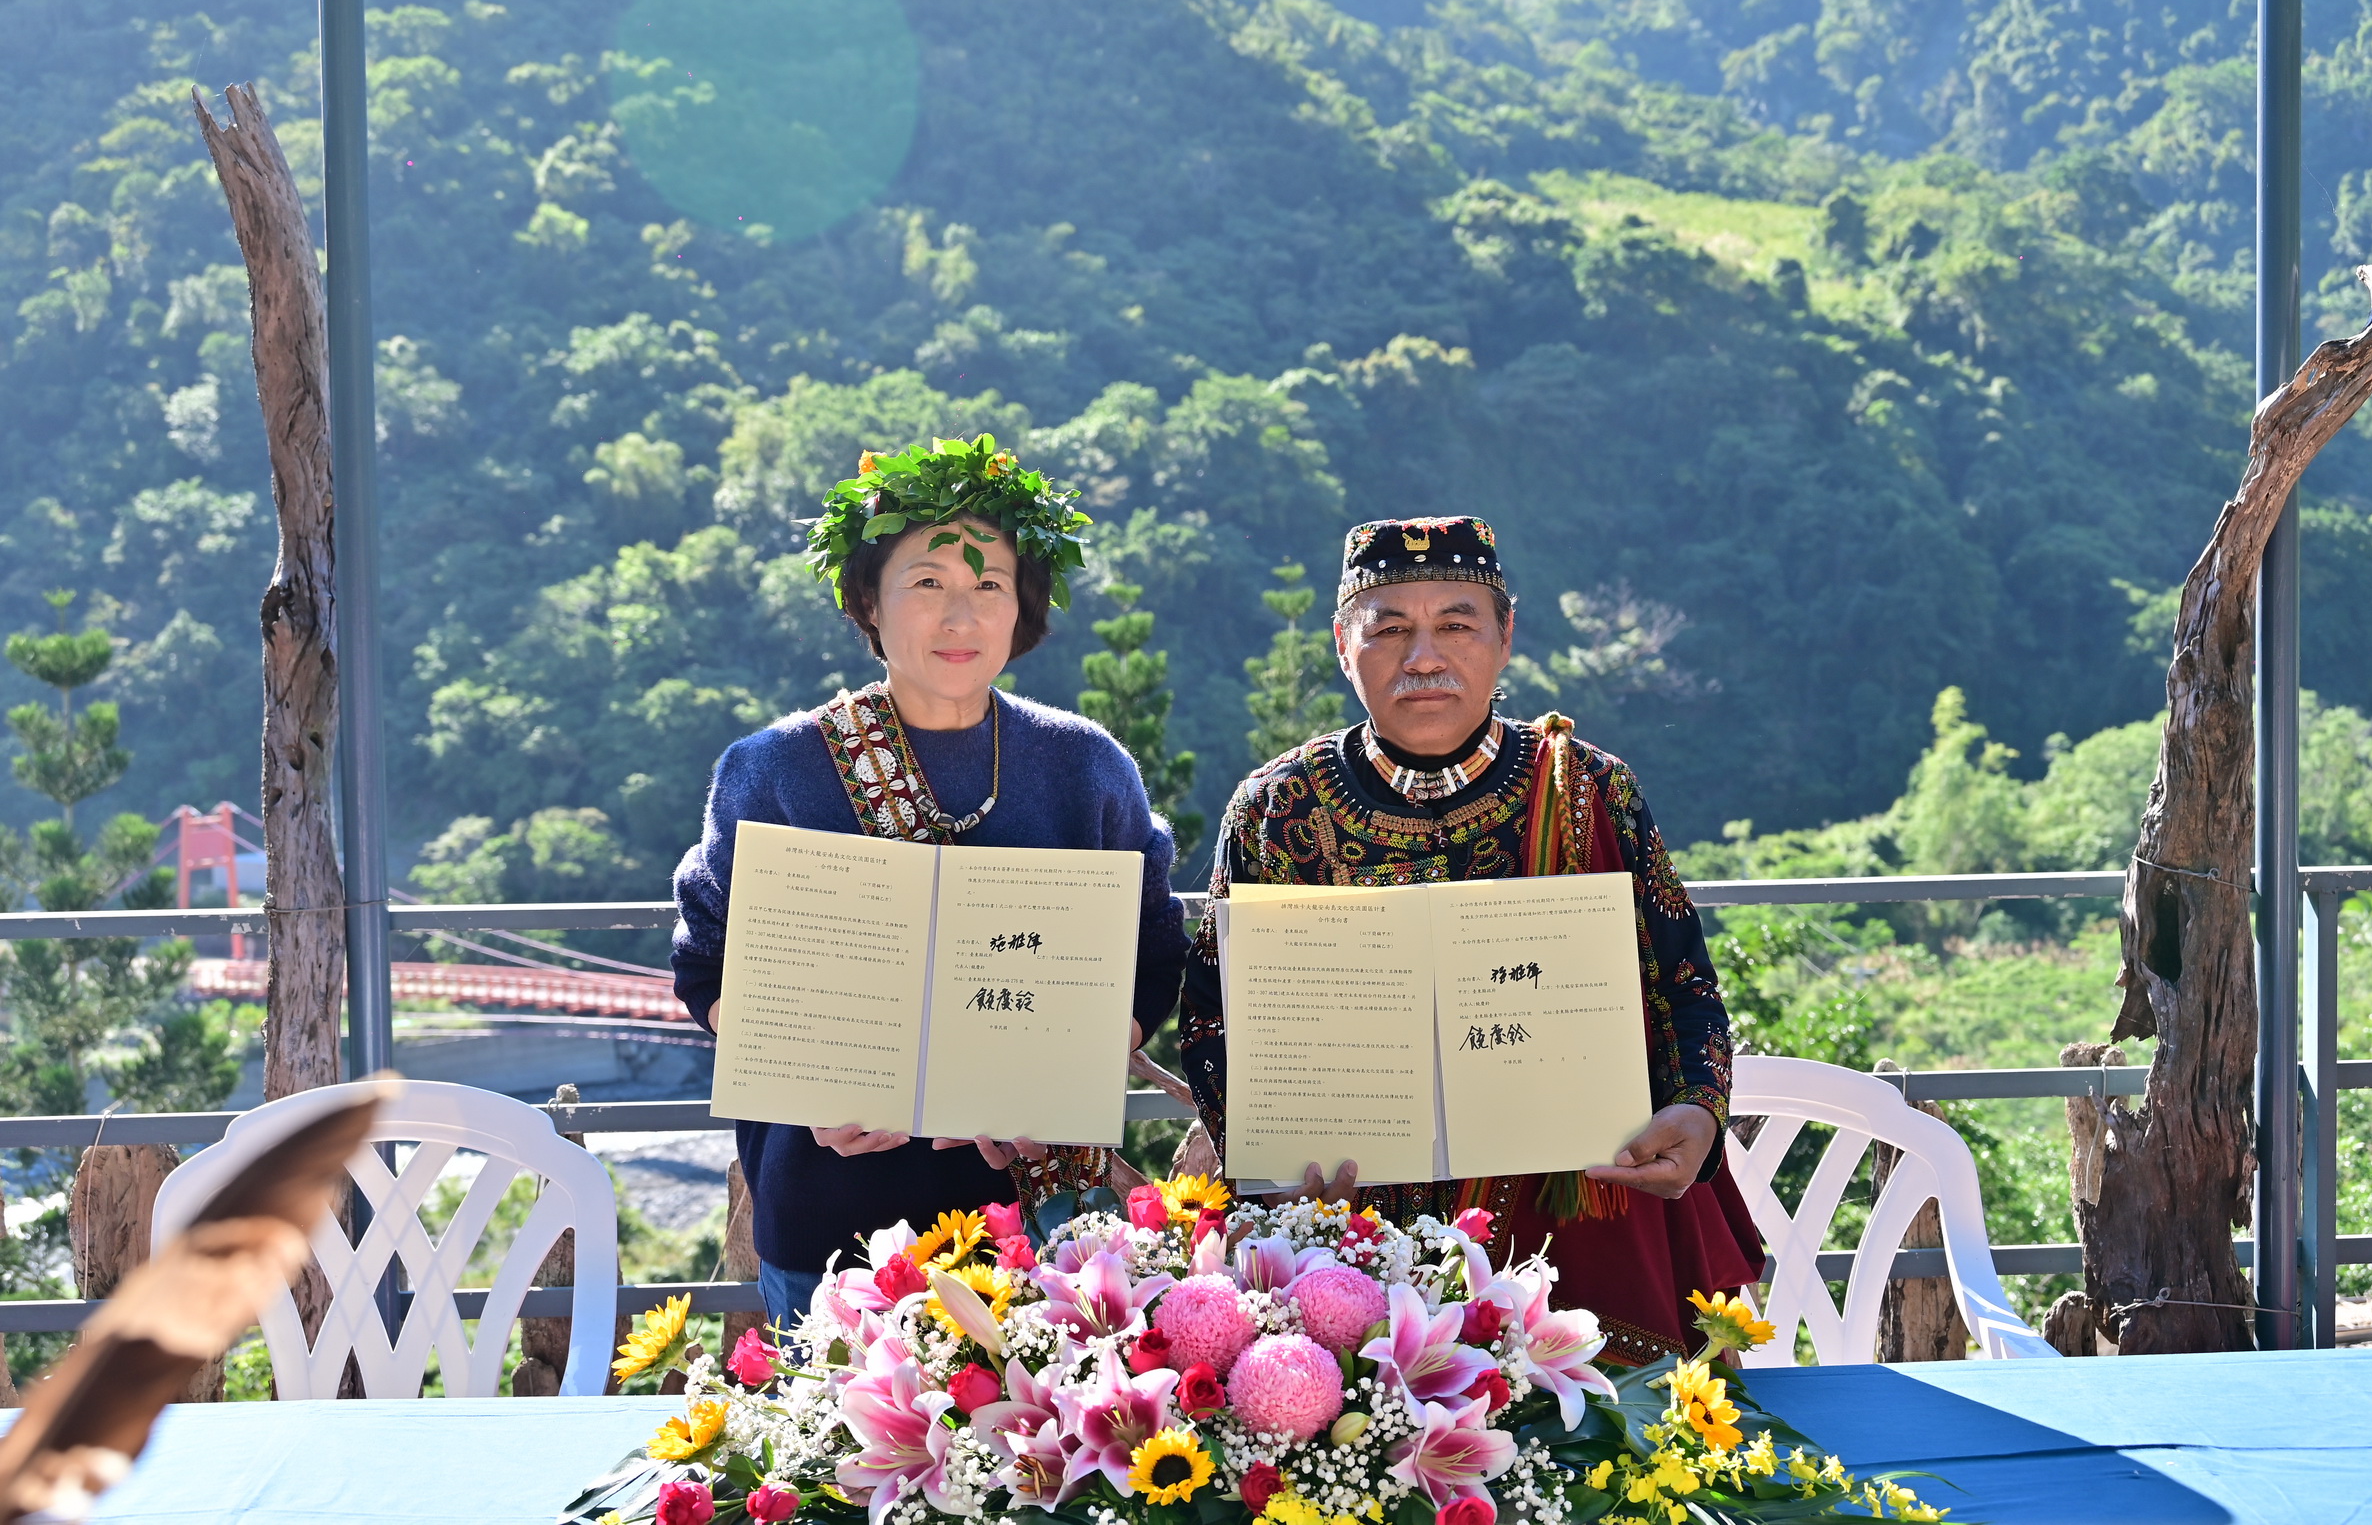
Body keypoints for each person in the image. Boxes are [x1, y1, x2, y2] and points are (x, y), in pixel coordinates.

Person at [1177, 515, 1763, 1365]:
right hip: (1349, 1250)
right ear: (1342, 643)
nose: (1423, 657)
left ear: (1505, 635)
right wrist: (1273, 1154)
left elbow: (1685, 986)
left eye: (1456, 624)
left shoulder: (1590, 791)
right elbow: (1211, 1020)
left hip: (1575, 1237)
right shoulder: (1276, 809)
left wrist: (1698, 1111)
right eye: (1389, 629)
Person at [671, 435, 1189, 1329]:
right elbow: (707, 963)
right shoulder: (777, 770)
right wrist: (804, 1083)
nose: (961, 616)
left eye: (989, 585)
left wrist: (1068, 1071)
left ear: (1022, 605)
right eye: (927, 582)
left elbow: (1152, 952)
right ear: (868, 600)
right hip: (834, 1223)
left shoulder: (1084, 766)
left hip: (1042, 1224)